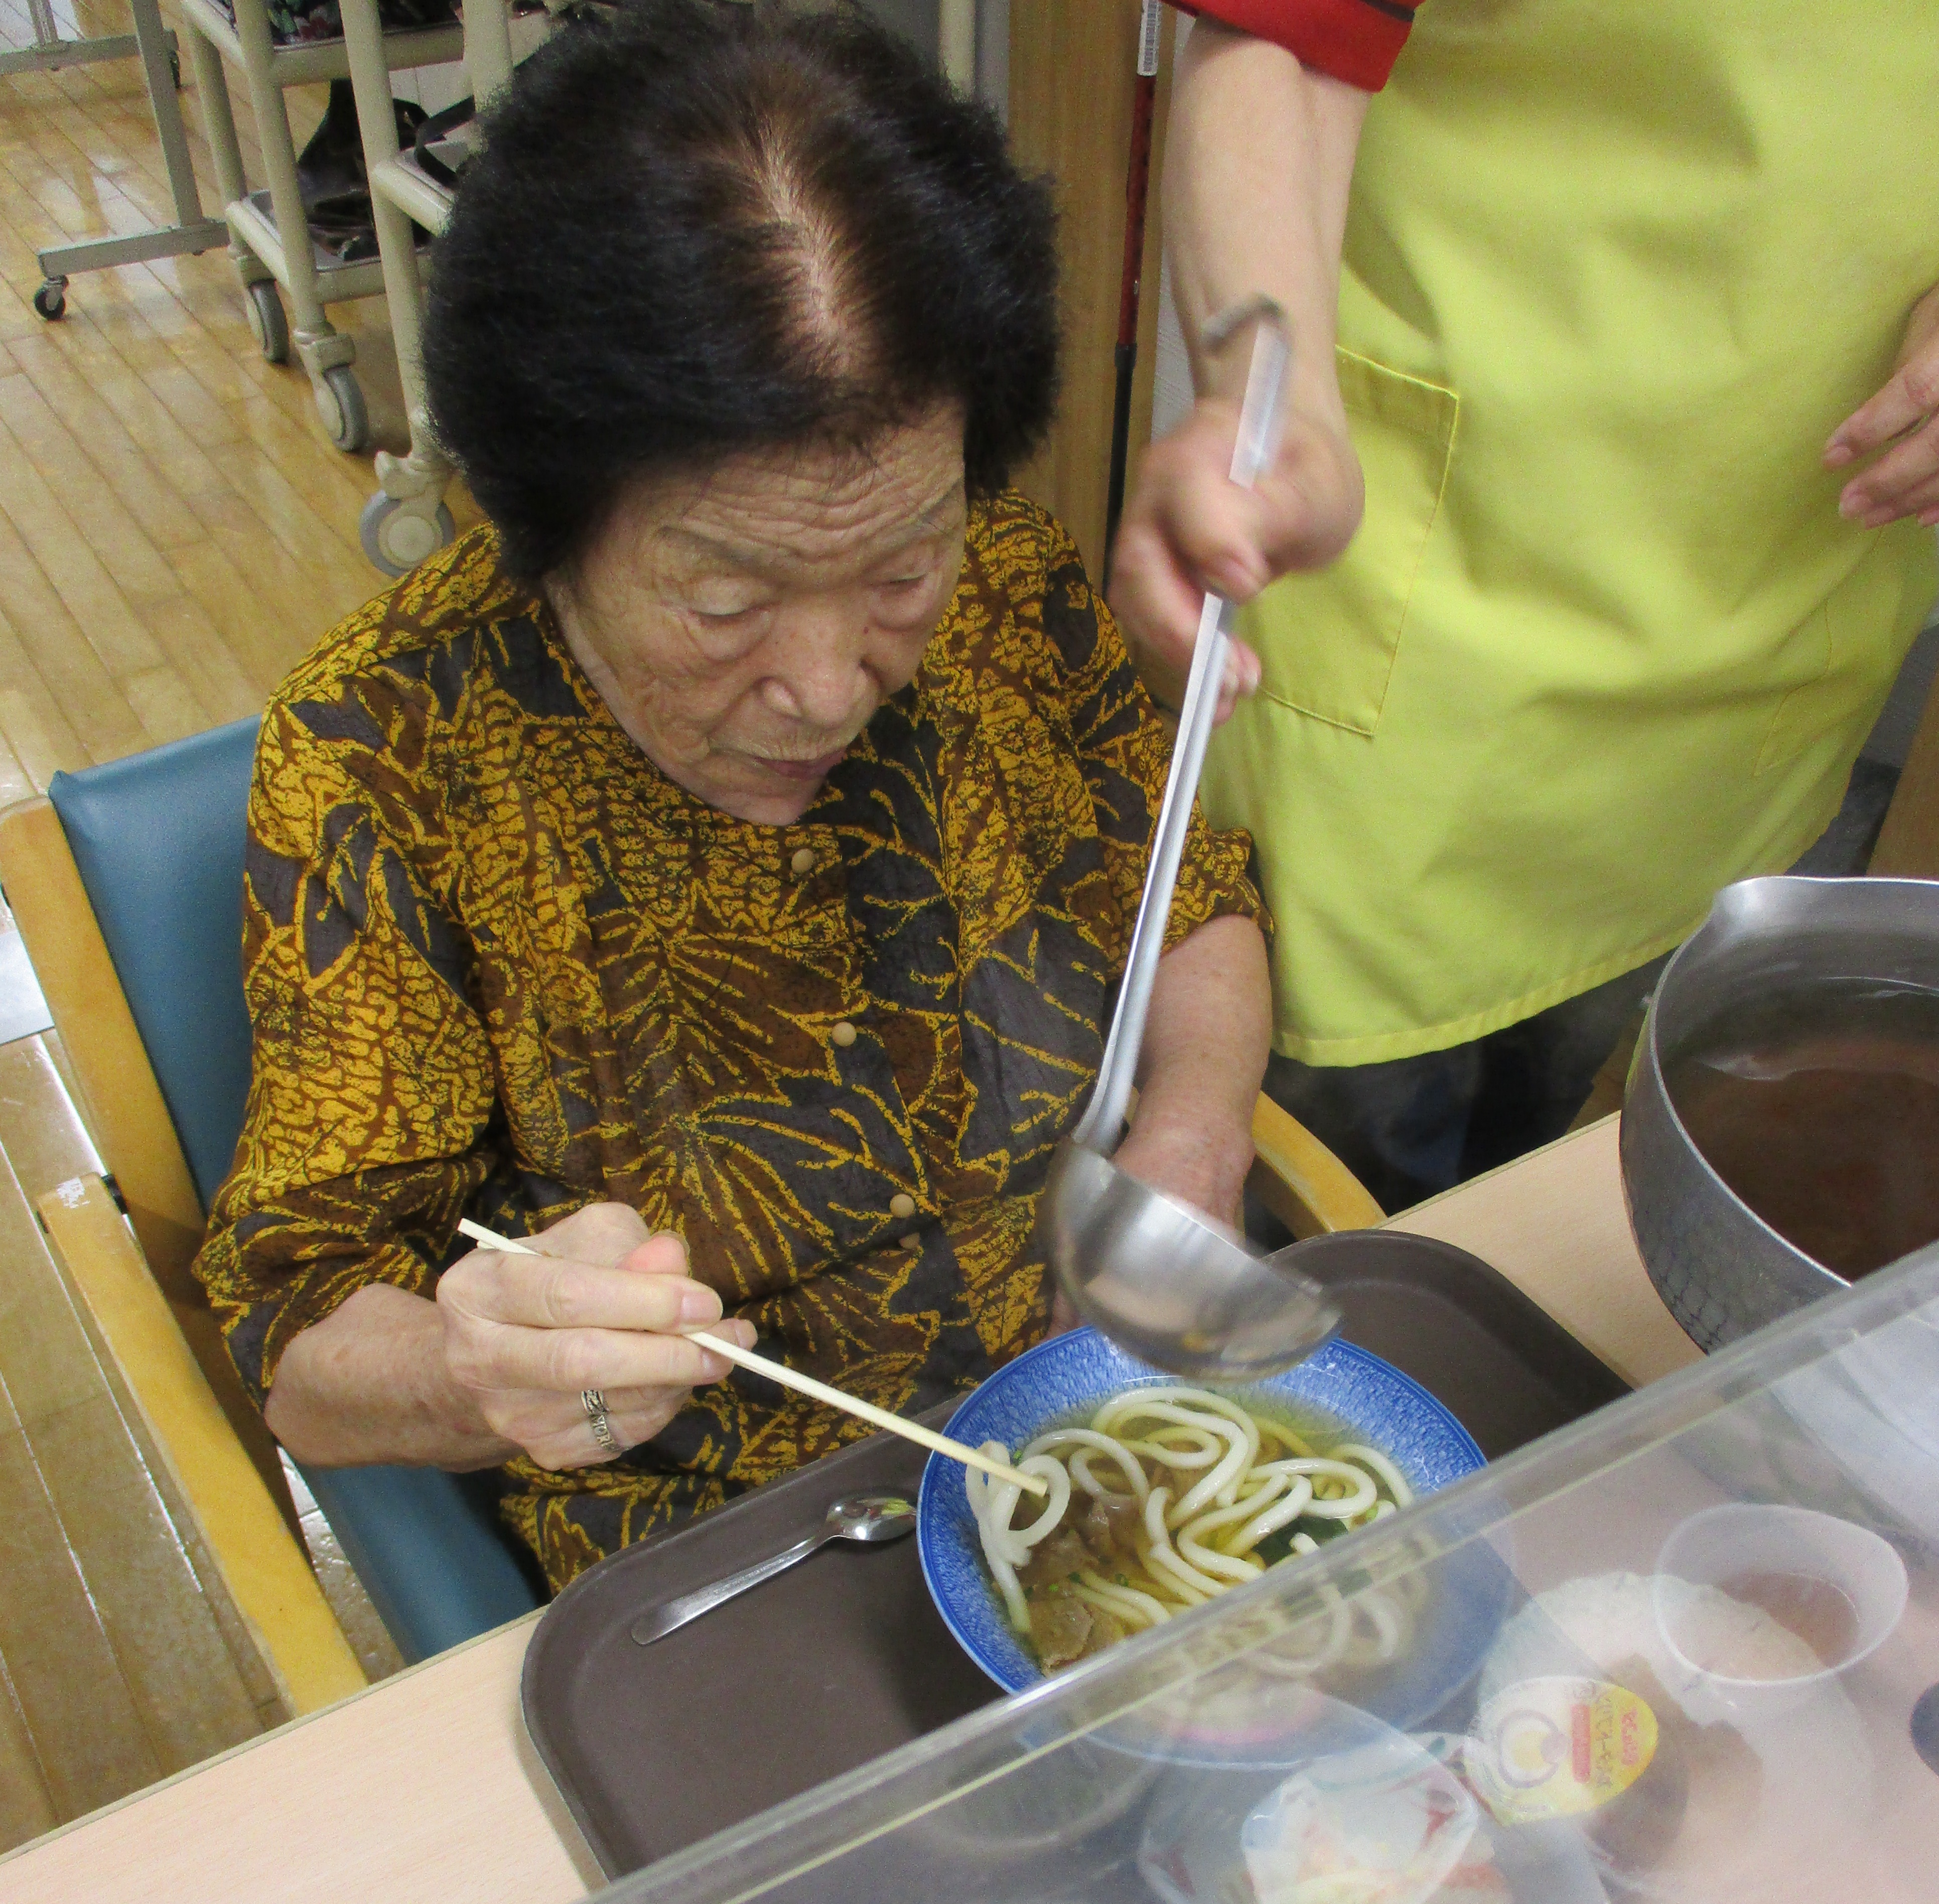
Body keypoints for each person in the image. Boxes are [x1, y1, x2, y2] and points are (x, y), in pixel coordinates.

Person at [195, 0, 1272, 1595]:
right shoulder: (387, 757)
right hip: (746, 1554)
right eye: (723, 602)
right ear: (542, 519)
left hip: (1104, 1407)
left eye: (902, 568)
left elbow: (1190, 892)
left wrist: (1190, 1140)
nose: (833, 684)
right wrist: (469, 1368)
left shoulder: (1013, 589)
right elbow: (297, 1331)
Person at [1110, 0, 1939, 1211]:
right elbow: (1287, 39)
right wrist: (1266, 403)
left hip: (1777, 607)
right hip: (1431, 610)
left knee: (1564, 1162)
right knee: (1350, 1185)